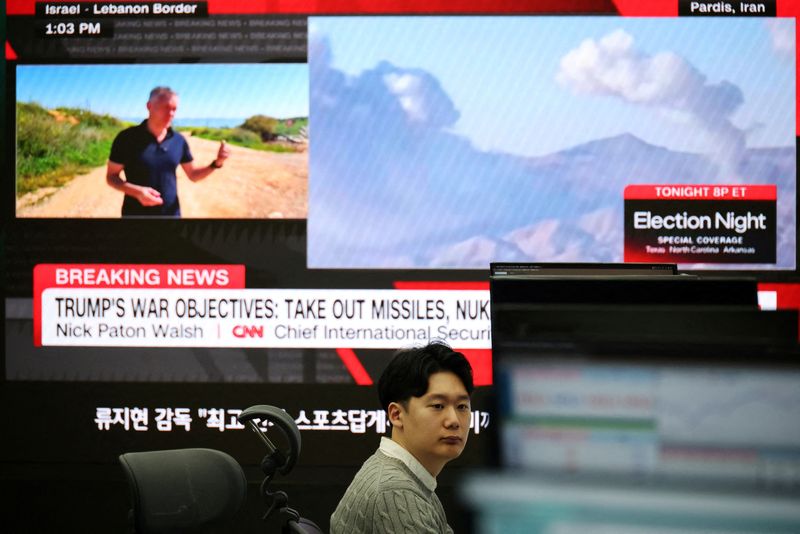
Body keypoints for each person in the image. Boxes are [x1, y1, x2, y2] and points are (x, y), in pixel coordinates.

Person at [330, 342, 474, 534]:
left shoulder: (407, 477)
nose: (454, 420)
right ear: (396, 415)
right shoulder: (395, 492)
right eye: (438, 406)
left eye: (462, 406)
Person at [106, 86, 230, 217]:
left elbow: (193, 175)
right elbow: (111, 177)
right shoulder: (126, 138)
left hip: (171, 215)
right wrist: (136, 192)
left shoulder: (178, 140)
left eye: (174, 109)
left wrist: (217, 163)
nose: (171, 113)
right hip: (135, 216)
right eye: (165, 107)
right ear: (149, 106)